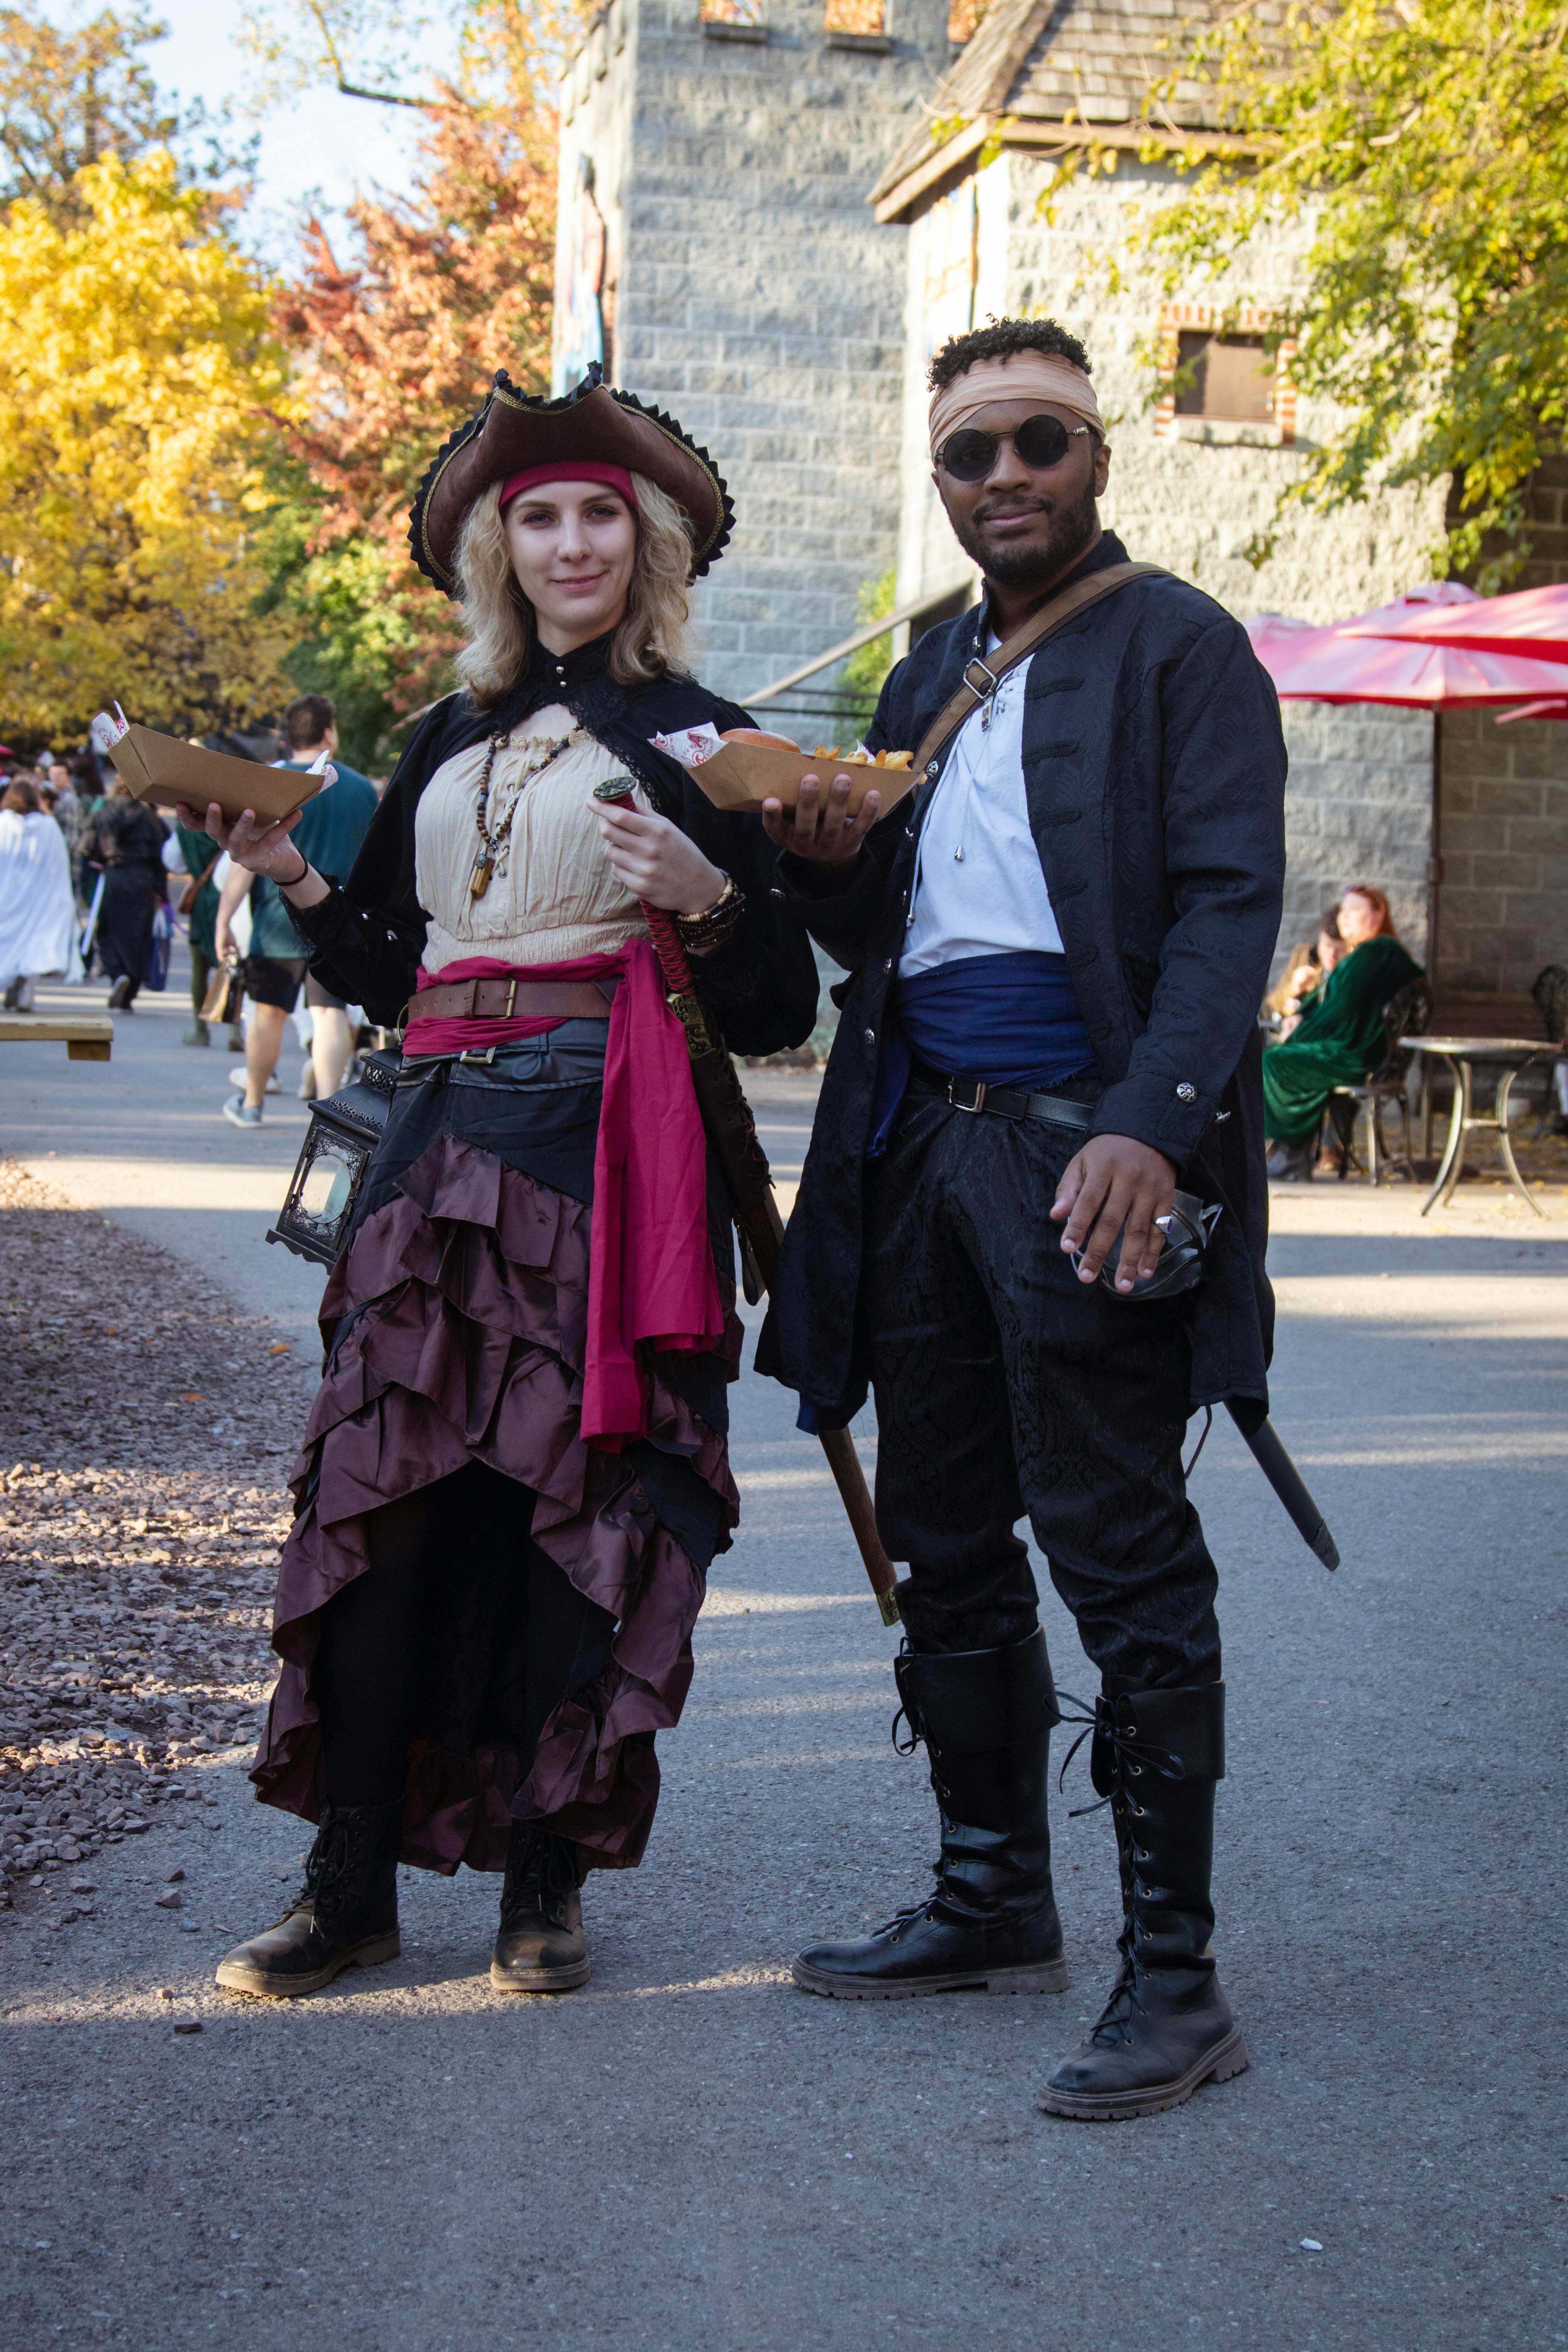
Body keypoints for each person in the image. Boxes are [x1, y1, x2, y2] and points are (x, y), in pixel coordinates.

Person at [185, 367, 817, 2001]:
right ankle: (347, 1890)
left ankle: (545, 1889)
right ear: (499, 550)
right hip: (428, 1152)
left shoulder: (702, 740)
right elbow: (390, 972)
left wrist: (708, 893)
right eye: (539, 517)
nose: (570, 542)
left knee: (576, 1519)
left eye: (600, 513)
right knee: (379, 1507)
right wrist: (293, 871)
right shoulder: (446, 732)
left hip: (597, 1156)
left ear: (644, 541)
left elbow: (773, 1010)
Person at [758, 317, 1286, 2122]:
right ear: (940, 478)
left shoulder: (1182, 645)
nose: (1001, 477)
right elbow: (882, 940)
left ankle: (1177, 1981)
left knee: (1114, 1540)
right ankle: (992, 1896)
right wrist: (822, 863)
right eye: (967, 453)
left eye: (1035, 442)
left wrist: (1147, 1122)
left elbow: (1226, 906)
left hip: (1081, 1146)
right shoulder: (921, 672)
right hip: (915, 1143)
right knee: (939, 1526)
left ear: (1094, 456)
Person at [213, 697, 380, 1125]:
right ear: (329, 733)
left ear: (289, 735)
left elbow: (243, 862)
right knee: (330, 1013)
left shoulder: (267, 782)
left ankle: (252, 1104)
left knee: (268, 1010)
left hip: (276, 920)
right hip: (337, 917)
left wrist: (224, 919)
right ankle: (329, 1113)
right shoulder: (361, 788)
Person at [1262, 885, 1422, 1178]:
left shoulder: (1375, 953)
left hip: (1357, 1056)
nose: (1345, 917)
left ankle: (1291, 1154)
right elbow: (1328, 999)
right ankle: (1287, 1150)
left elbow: (1338, 1010)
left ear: (1378, 915)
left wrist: (1294, 1036)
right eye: (1344, 910)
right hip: (1364, 1053)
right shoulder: (1378, 952)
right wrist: (1299, 1015)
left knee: (1276, 1061)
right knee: (1282, 1057)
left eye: (1355, 910)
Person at [80, 778, 167, 1009]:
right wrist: (161, 891)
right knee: (139, 934)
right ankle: (131, 989)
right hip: (142, 878)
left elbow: (86, 848)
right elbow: (161, 854)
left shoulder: (103, 813)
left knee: (107, 930)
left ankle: (117, 973)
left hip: (113, 875)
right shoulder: (148, 816)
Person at [0, 780, 79, 1008]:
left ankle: (12, 980)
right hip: (38, 897)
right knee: (32, 944)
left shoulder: (3, 825)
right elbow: (59, 865)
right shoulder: (49, 827)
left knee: (7, 944)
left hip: (7, 896)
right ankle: (26, 989)